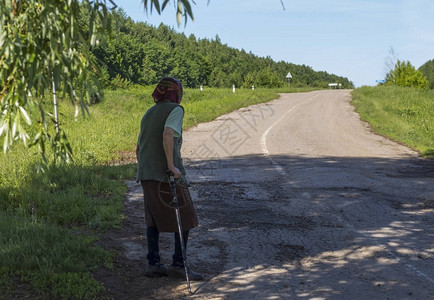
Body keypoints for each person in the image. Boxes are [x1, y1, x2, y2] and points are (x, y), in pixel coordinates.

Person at [136, 77, 203, 280]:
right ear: (176, 93)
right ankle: (178, 264)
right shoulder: (176, 110)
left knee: (153, 218)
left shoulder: (149, 112)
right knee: (185, 218)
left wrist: (145, 168)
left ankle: (153, 263)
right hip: (167, 175)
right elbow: (167, 135)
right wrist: (172, 166)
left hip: (146, 173)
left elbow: (139, 147)